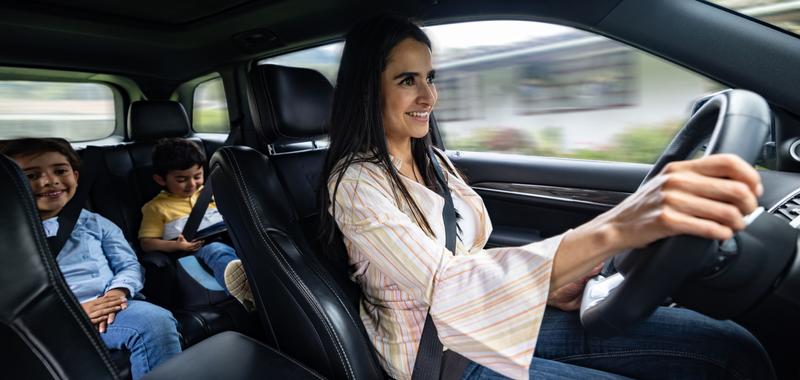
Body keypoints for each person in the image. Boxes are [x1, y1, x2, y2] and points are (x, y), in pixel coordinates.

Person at [319, 15, 775, 380]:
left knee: (728, 347)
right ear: (368, 89)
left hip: (490, 316)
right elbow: (448, 283)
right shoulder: (356, 184)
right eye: (407, 80)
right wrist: (619, 227)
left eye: (430, 77)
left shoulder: (433, 158)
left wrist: (548, 287)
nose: (428, 96)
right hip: (441, 355)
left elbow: (466, 255)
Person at [0, 138, 182, 380]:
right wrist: (72, 313)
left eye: (60, 171)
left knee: (155, 321)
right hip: (46, 322)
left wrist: (116, 293)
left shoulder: (95, 223)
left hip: (109, 308)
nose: (49, 181)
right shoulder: (8, 235)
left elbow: (128, 265)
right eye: (32, 175)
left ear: (76, 176)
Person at [138, 138, 252, 309]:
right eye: (181, 179)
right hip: (195, 248)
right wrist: (176, 246)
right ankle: (246, 290)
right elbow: (147, 243)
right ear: (161, 180)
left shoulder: (212, 193)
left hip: (230, 237)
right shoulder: (156, 207)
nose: (191, 184)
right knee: (217, 251)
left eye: (197, 176)